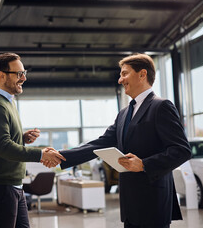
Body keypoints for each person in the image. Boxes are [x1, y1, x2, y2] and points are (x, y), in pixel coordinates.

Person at [51, 53, 192, 228]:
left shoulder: (161, 106)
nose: (120, 80)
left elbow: (182, 150)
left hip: (153, 201)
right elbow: (100, 143)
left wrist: (144, 164)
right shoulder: (124, 113)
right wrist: (61, 156)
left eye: (124, 74)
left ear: (142, 74)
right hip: (130, 202)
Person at [0, 52, 66, 228]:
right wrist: (41, 154)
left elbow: (3, 140)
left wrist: (22, 138)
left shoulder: (8, 102)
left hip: (12, 184)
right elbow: (2, 147)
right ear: (1, 75)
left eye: (24, 73)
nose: (23, 78)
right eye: (18, 74)